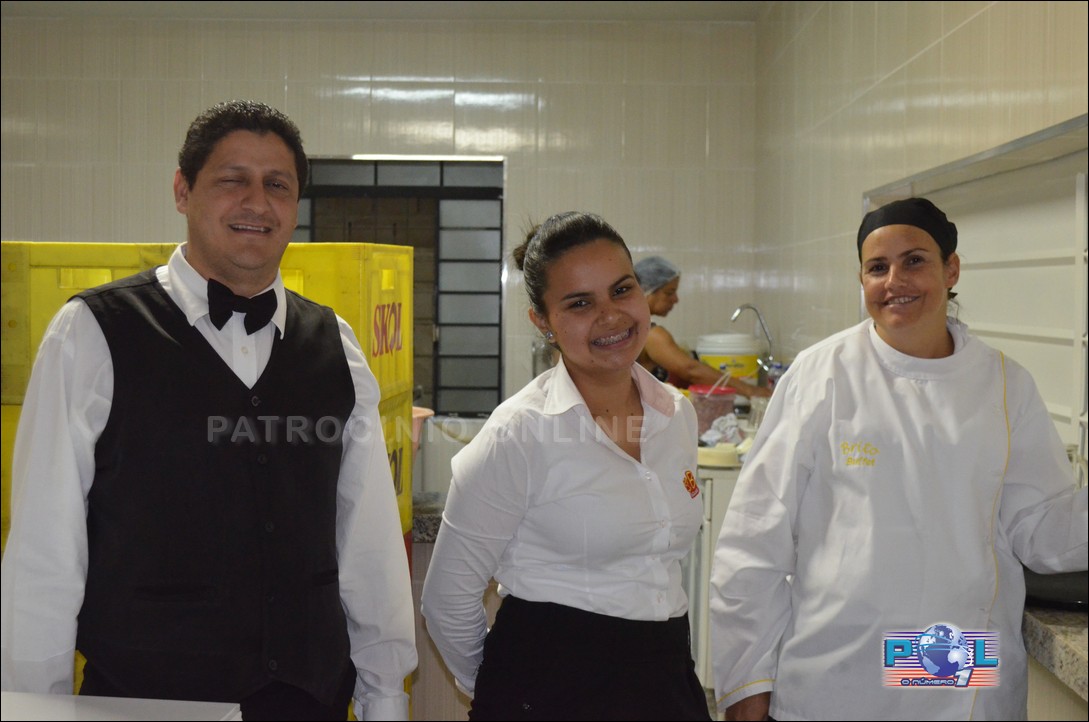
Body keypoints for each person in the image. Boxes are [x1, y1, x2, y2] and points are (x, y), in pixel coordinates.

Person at [0, 100, 417, 721]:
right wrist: (35, 710)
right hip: (144, 702)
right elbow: (45, 552)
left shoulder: (337, 344)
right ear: (182, 190)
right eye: (232, 180)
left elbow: (368, 541)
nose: (257, 202)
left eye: (277, 185)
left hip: (305, 699)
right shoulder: (92, 332)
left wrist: (384, 697)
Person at [708, 197, 1088, 720]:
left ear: (951, 270)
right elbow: (754, 538)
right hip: (835, 665)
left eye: (914, 261)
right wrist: (746, 681)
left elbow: (1040, 531)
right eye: (877, 267)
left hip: (951, 653)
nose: (894, 281)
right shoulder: (822, 375)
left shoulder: (1004, 385)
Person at [420, 212, 710, 721]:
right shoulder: (520, 433)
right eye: (580, 303)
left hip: (665, 677)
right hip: (549, 688)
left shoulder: (675, 415)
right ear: (543, 321)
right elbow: (448, 599)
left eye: (621, 290)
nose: (611, 316)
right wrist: (507, 689)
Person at [634, 256, 770, 399]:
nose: (675, 299)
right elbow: (691, 370)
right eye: (669, 292)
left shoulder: (637, 329)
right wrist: (751, 391)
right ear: (646, 291)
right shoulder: (652, 335)